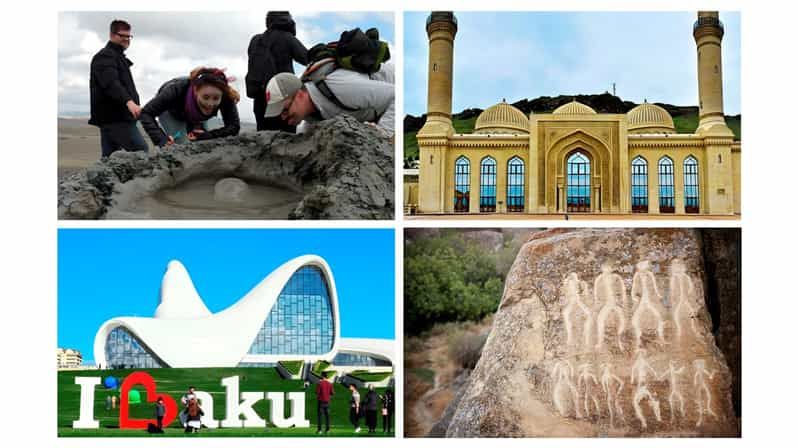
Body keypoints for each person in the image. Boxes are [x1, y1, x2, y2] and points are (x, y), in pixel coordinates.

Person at [264, 63, 395, 137]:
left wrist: (385, 133)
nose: (283, 117)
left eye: (285, 110)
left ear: (299, 95)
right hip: (376, 107)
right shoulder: (311, 114)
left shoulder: (340, 88)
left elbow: (396, 94)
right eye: (279, 113)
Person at [88, 19, 148, 157]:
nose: (126, 39)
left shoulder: (117, 56)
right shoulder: (105, 56)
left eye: (128, 36)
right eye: (122, 36)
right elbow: (111, 83)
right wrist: (129, 102)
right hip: (116, 117)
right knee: (140, 151)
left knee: (109, 158)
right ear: (112, 35)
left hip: (112, 118)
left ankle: (105, 179)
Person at [140, 67, 241, 147]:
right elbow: (146, 113)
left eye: (216, 98)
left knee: (203, 142)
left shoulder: (226, 95)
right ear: (196, 90)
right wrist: (161, 139)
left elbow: (234, 126)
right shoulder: (175, 90)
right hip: (172, 111)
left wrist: (209, 135)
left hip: (195, 115)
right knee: (181, 144)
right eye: (206, 97)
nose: (210, 104)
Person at [246, 11, 308, 132]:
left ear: (268, 22)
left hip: (260, 97)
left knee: (263, 136)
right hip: (284, 97)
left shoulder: (255, 40)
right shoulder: (288, 38)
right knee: (287, 139)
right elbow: (307, 59)